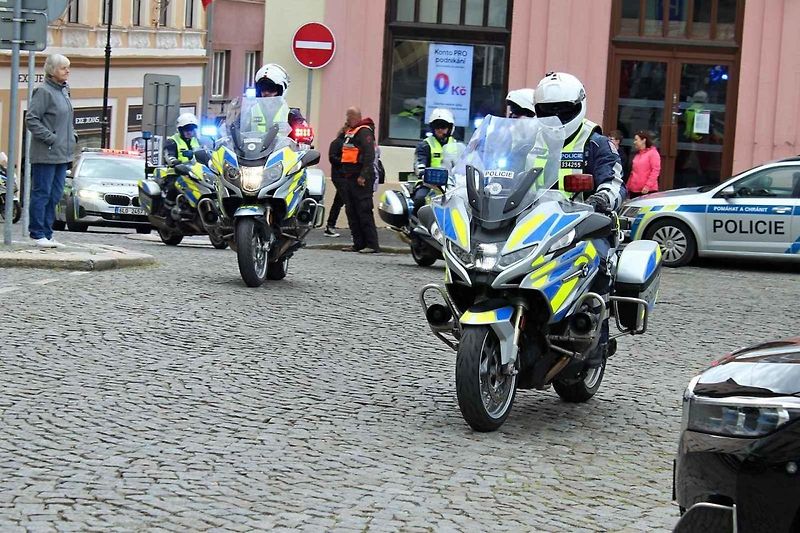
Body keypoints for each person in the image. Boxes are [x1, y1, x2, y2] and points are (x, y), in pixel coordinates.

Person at [532, 71, 627, 369]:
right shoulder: (530, 140)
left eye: (563, 109)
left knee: (596, 267)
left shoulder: (595, 142)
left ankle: (592, 342)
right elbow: (501, 169)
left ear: (578, 105)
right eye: (548, 110)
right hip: (535, 225)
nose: (556, 116)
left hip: (586, 226)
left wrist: (603, 198)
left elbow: (614, 180)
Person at [25, 53, 76, 248]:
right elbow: (32, 119)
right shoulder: (43, 92)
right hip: (46, 153)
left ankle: (48, 232)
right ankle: (37, 233)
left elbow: (65, 120)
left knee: (55, 195)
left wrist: (72, 136)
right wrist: (51, 138)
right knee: (42, 193)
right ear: (52, 71)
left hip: (62, 154)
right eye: (64, 68)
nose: (67, 71)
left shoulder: (64, 91)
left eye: (68, 67)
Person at [338, 106, 380, 253]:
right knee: (351, 211)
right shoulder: (351, 132)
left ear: (355, 116)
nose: (347, 119)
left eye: (348, 116)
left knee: (364, 211)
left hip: (361, 178)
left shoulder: (364, 131)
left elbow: (369, 155)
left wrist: (363, 175)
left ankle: (371, 244)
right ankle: (358, 243)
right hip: (350, 177)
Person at [411, 108, 459, 214]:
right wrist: (423, 172)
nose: (440, 129)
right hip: (429, 184)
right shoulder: (425, 144)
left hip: (452, 185)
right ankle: (415, 226)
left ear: (450, 128)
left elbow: (465, 162)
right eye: (437, 126)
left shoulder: (456, 145)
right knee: (420, 199)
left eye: (443, 126)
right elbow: (419, 163)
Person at [324, 125, 347, 237]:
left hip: (343, 176)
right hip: (339, 176)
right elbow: (332, 158)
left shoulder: (344, 143)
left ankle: (330, 225)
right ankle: (330, 225)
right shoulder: (337, 143)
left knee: (338, 202)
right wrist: (345, 161)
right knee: (345, 201)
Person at [627, 130, 660, 198]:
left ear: (643, 140)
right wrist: (628, 187)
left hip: (647, 191)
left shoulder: (653, 153)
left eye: (636, 140)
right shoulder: (638, 154)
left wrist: (648, 186)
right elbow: (633, 172)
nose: (634, 142)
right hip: (634, 190)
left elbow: (655, 171)